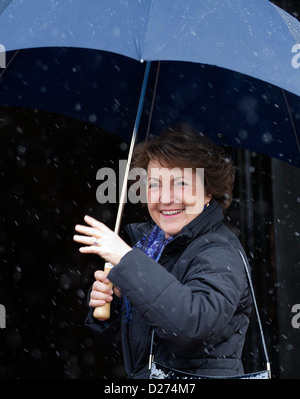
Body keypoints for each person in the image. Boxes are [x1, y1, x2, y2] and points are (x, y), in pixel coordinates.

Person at [73, 124, 252, 379]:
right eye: (155, 184)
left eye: (180, 183)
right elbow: (151, 336)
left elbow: (192, 322)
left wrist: (127, 263)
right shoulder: (151, 247)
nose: (165, 198)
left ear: (208, 191)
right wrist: (116, 299)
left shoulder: (219, 250)